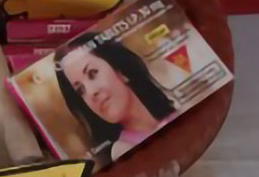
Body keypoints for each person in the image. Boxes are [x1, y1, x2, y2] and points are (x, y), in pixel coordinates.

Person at [55, 33, 176, 164]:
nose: (91, 92)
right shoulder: (124, 151)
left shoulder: (181, 106)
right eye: (80, 90)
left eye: (92, 73)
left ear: (120, 70)